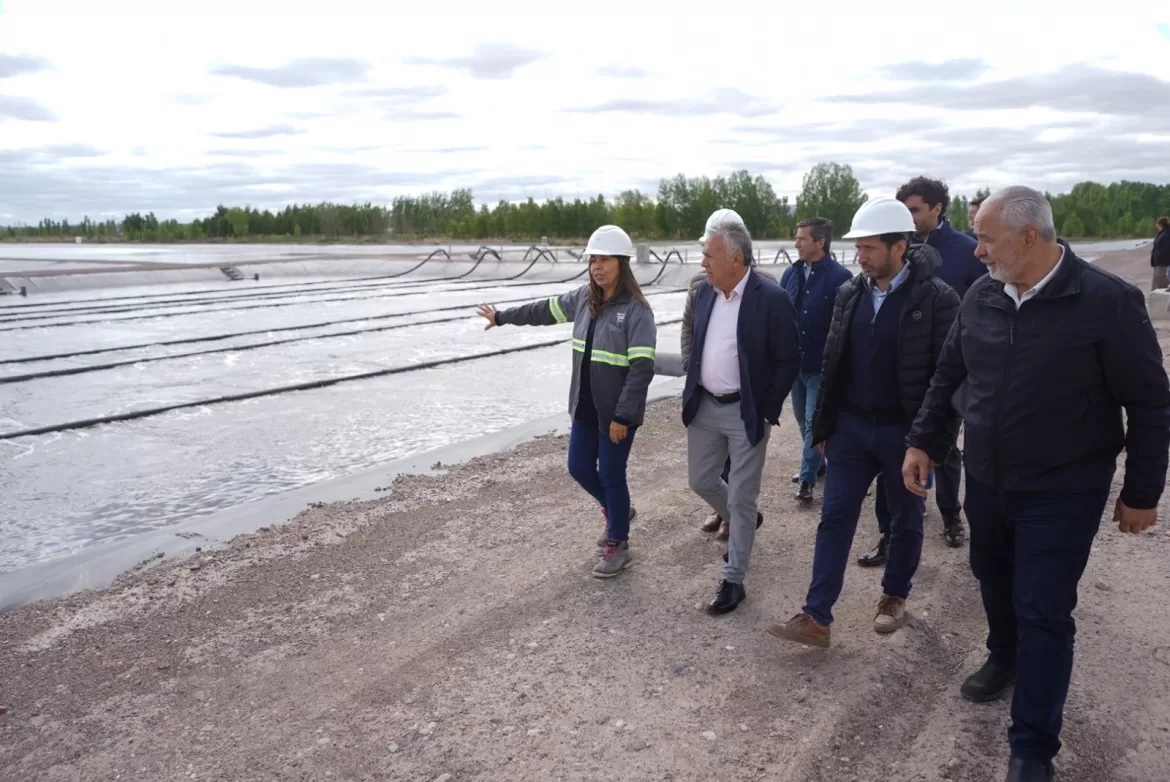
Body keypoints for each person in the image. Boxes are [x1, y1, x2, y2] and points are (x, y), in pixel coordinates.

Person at [903, 186, 1170, 782]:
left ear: (1029, 237)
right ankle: (1004, 655)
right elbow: (951, 373)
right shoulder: (982, 295)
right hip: (990, 478)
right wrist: (925, 441)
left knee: (1044, 608)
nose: (976, 252)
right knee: (992, 579)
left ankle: (1031, 748)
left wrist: (1142, 492)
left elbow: (1150, 404)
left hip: (1065, 489)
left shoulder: (1107, 302)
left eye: (985, 238)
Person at [768, 197, 960, 647]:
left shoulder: (937, 299)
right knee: (834, 518)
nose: (861, 257)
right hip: (851, 429)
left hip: (905, 434)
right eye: (859, 248)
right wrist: (823, 428)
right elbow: (835, 364)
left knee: (906, 519)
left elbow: (946, 380)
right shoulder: (850, 294)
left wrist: (931, 445)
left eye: (871, 248)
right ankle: (817, 617)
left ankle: (894, 595)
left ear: (900, 247)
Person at [477, 224, 657, 579]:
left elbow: (641, 369)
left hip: (617, 413)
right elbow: (542, 311)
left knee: (610, 474)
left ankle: (618, 544)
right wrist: (502, 317)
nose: (597, 266)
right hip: (585, 408)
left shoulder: (637, 311)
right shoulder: (582, 300)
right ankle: (618, 511)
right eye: (593, 260)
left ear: (622, 263)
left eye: (605, 259)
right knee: (578, 467)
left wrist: (623, 415)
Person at [857, 177, 986, 565]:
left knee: (942, 446)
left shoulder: (967, 252)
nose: (909, 219)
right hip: (900, 374)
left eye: (914, 210)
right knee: (892, 456)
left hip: (951, 369)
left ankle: (950, 513)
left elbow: (987, 305)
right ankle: (889, 534)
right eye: (904, 212)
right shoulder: (900, 250)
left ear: (937, 209)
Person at [682, 220, 800, 614]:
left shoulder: (772, 297)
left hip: (745, 412)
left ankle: (734, 580)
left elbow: (788, 360)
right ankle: (742, 517)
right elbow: (695, 342)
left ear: (735, 258)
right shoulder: (703, 292)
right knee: (700, 480)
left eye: (709, 256)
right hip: (704, 407)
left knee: (743, 496)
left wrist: (765, 408)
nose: (703, 263)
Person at [682, 209, 774, 540]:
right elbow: (689, 328)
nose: (705, 260)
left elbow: (780, 351)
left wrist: (768, 402)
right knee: (710, 467)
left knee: (740, 469)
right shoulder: (699, 286)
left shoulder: (764, 288)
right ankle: (725, 512)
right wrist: (689, 365)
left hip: (744, 399)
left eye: (710, 251)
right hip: (708, 396)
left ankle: (738, 519)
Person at [780, 217, 851, 502]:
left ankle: (807, 479)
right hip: (794, 365)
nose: (796, 243)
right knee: (800, 419)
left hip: (821, 368)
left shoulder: (840, 278)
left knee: (813, 421)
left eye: (802, 239)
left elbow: (845, 326)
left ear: (820, 242)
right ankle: (818, 465)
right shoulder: (790, 275)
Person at [1152, 216, 1170, 290]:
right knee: (1156, 280)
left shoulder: (1167, 233)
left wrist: (1159, 255)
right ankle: (1154, 296)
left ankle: (1162, 297)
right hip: (1158, 262)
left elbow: (1167, 247)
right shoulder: (1160, 233)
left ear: (1160, 224)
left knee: (1161, 280)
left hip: (1163, 262)